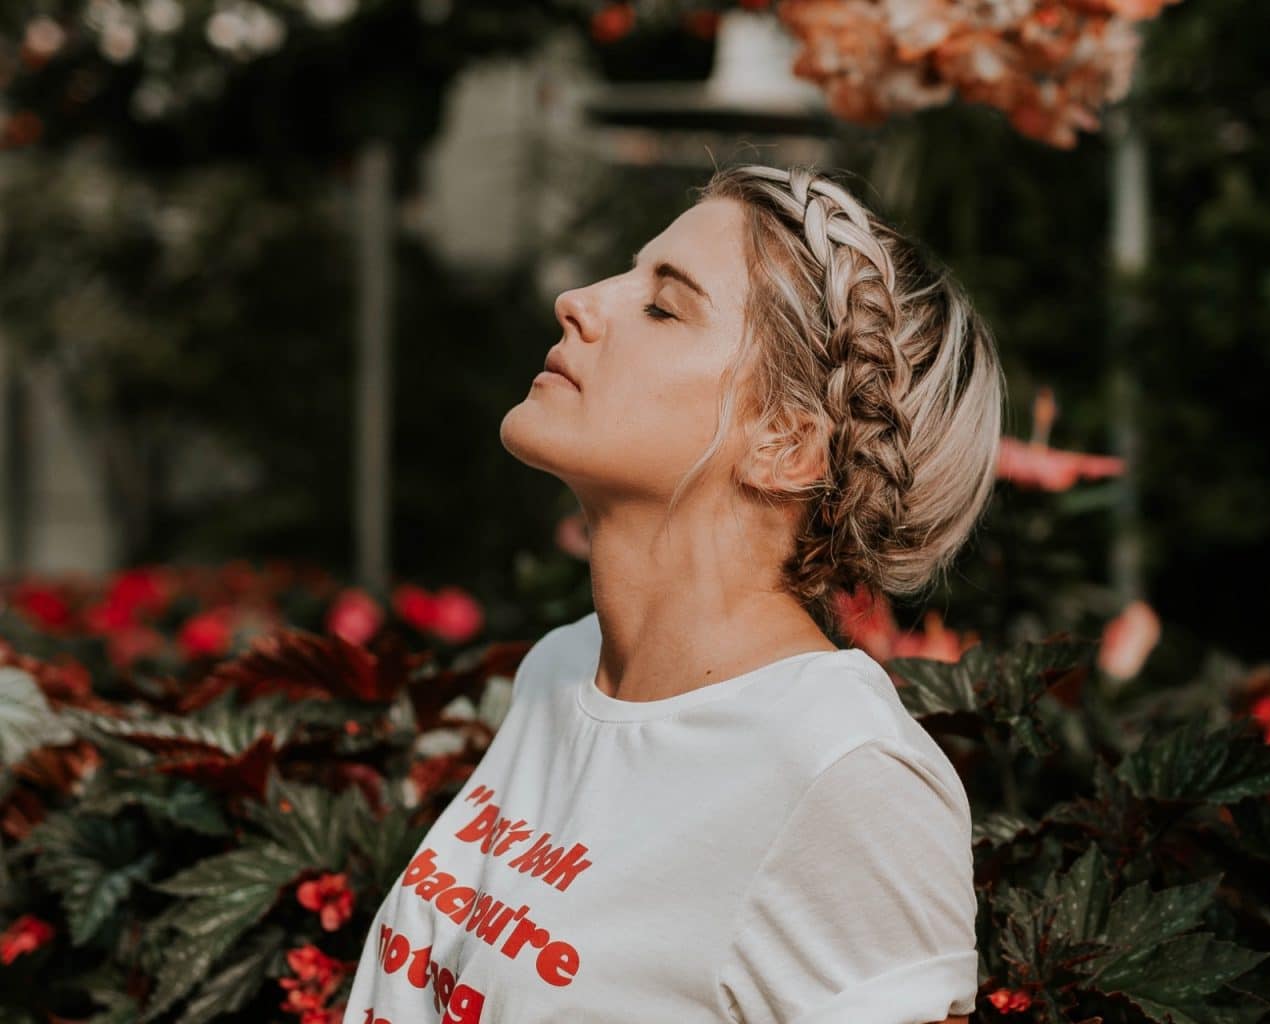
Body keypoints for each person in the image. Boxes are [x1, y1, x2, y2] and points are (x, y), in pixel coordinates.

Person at [341, 163, 1005, 1023]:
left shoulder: (842, 772)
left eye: (663, 306)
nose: (578, 300)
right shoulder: (562, 670)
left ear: (786, 443)